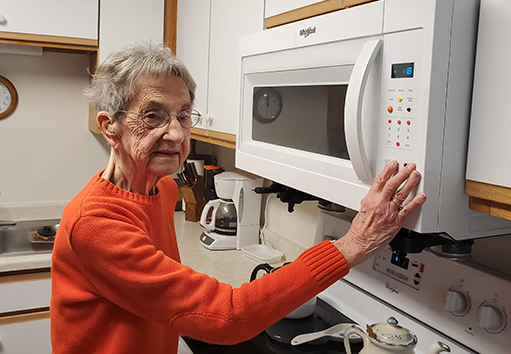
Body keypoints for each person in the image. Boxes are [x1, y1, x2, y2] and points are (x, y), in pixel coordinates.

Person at [50, 43, 426, 353]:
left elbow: (165, 300)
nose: (177, 135)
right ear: (109, 127)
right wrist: (353, 243)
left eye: (183, 116)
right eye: (152, 116)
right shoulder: (95, 223)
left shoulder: (161, 189)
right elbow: (228, 316)